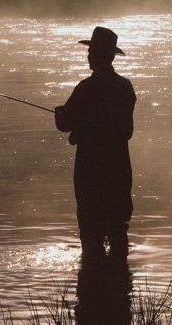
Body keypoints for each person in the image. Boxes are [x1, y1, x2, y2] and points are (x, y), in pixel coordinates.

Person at [55, 26, 136, 259]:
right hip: (119, 170)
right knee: (119, 233)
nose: (88, 56)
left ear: (102, 55)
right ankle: (121, 289)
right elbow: (126, 131)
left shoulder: (86, 88)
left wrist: (61, 115)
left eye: (92, 52)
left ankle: (93, 288)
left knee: (91, 237)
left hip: (90, 172)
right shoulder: (125, 87)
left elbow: (65, 124)